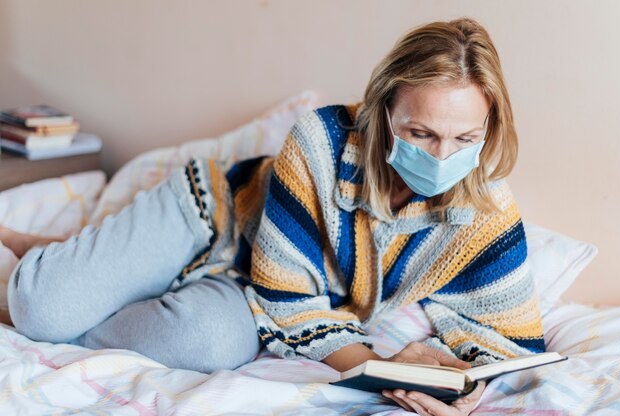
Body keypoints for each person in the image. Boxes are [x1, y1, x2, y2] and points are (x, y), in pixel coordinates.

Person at [1, 17, 544, 415]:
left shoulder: (484, 208)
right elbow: (288, 295)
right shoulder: (322, 138)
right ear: (383, 111)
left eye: (465, 138)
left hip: (249, 288)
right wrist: (385, 368)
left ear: (489, 131)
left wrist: (462, 387)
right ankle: (59, 264)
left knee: (204, 345)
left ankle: (75, 259)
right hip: (211, 216)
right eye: (420, 133)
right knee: (42, 308)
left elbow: (511, 345)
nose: (441, 156)